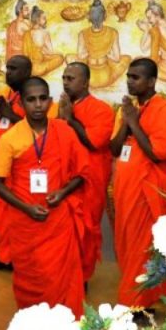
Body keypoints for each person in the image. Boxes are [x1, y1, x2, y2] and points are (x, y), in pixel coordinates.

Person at [0, 77, 89, 314]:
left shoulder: (63, 131)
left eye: (43, 99)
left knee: (62, 278)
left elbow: (82, 172)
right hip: (25, 223)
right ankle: (34, 328)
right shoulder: (10, 138)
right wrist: (26, 208)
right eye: (31, 100)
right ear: (21, 104)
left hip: (58, 221)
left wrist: (63, 192)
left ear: (50, 101)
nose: (38, 105)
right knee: (31, 280)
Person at [110, 58, 166, 307]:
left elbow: (156, 152)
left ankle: (133, 303)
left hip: (147, 192)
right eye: (128, 76)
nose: (130, 81)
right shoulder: (129, 108)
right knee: (128, 246)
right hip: (125, 190)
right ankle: (142, 296)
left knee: (142, 248)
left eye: (136, 77)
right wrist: (127, 121)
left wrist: (133, 123)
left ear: (151, 81)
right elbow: (115, 148)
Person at [0, 55, 39, 272]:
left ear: (27, 71)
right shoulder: (0, 95)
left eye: (14, 68)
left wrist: (11, 115)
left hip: (22, 171)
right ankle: (4, 258)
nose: (8, 72)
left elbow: (40, 130)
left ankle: (22, 260)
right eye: (8, 68)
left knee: (20, 217)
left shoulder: (35, 97)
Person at [59, 62, 114, 282]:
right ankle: (65, 274)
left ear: (85, 82)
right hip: (64, 181)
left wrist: (70, 119)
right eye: (63, 78)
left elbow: (93, 142)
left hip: (89, 182)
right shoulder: (60, 106)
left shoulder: (101, 109)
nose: (65, 82)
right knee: (64, 231)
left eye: (70, 78)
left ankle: (82, 277)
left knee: (86, 232)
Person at [67, 0, 129, 88]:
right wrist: (106, 54)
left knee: (69, 57)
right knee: (127, 58)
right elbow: (116, 58)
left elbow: (80, 56)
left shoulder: (82, 33)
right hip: (106, 77)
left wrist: (90, 53)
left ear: (90, 17)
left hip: (88, 78)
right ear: (104, 16)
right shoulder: (113, 32)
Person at [138, 1, 166, 82]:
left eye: (149, 17)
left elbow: (143, 48)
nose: (148, 21)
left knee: (138, 60)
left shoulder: (156, 29)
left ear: (157, 15)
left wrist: (146, 31)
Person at [23, 6, 64, 77]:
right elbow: (50, 52)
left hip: (28, 68)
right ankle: (42, 72)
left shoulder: (26, 34)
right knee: (60, 58)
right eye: (44, 18)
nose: (46, 20)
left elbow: (25, 54)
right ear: (38, 20)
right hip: (40, 67)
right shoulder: (44, 33)